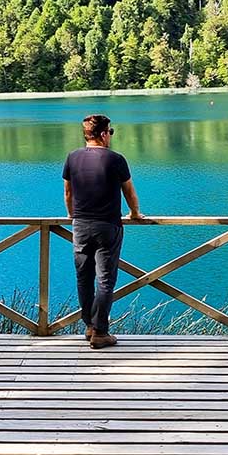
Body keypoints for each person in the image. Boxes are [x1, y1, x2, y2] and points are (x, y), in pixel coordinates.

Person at [62, 114, 143, 349]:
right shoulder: (116, 159)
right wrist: (135, 214)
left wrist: (71, 215)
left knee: (83, 278)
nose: (111, 136)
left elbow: (68, 193)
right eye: (111, 132)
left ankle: (89, 326)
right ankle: (99, 331)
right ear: (104, 134)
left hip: (81, 226)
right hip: (107, 226)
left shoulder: (72, 158)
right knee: (105, 281)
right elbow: (129, 191)